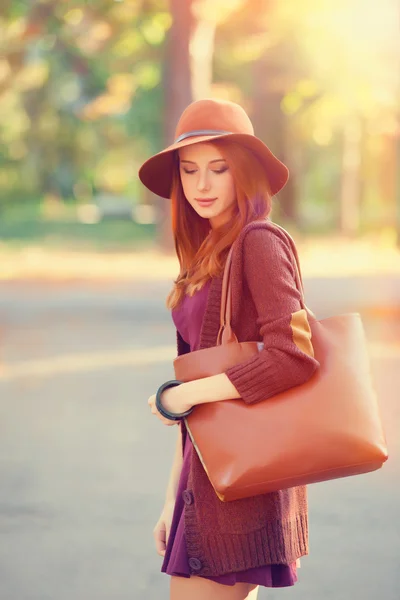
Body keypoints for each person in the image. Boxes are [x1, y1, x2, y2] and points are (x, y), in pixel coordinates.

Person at [138, 98, 320, 600]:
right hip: (210, 483)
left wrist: (181, 395)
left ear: (243, 172)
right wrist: (173, 500)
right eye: (189, 170)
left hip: (245, 488)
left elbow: (293, 355)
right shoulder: (201, 257)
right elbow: (194, 397)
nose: (201, 185)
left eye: (217, 169)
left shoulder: (260, 242)